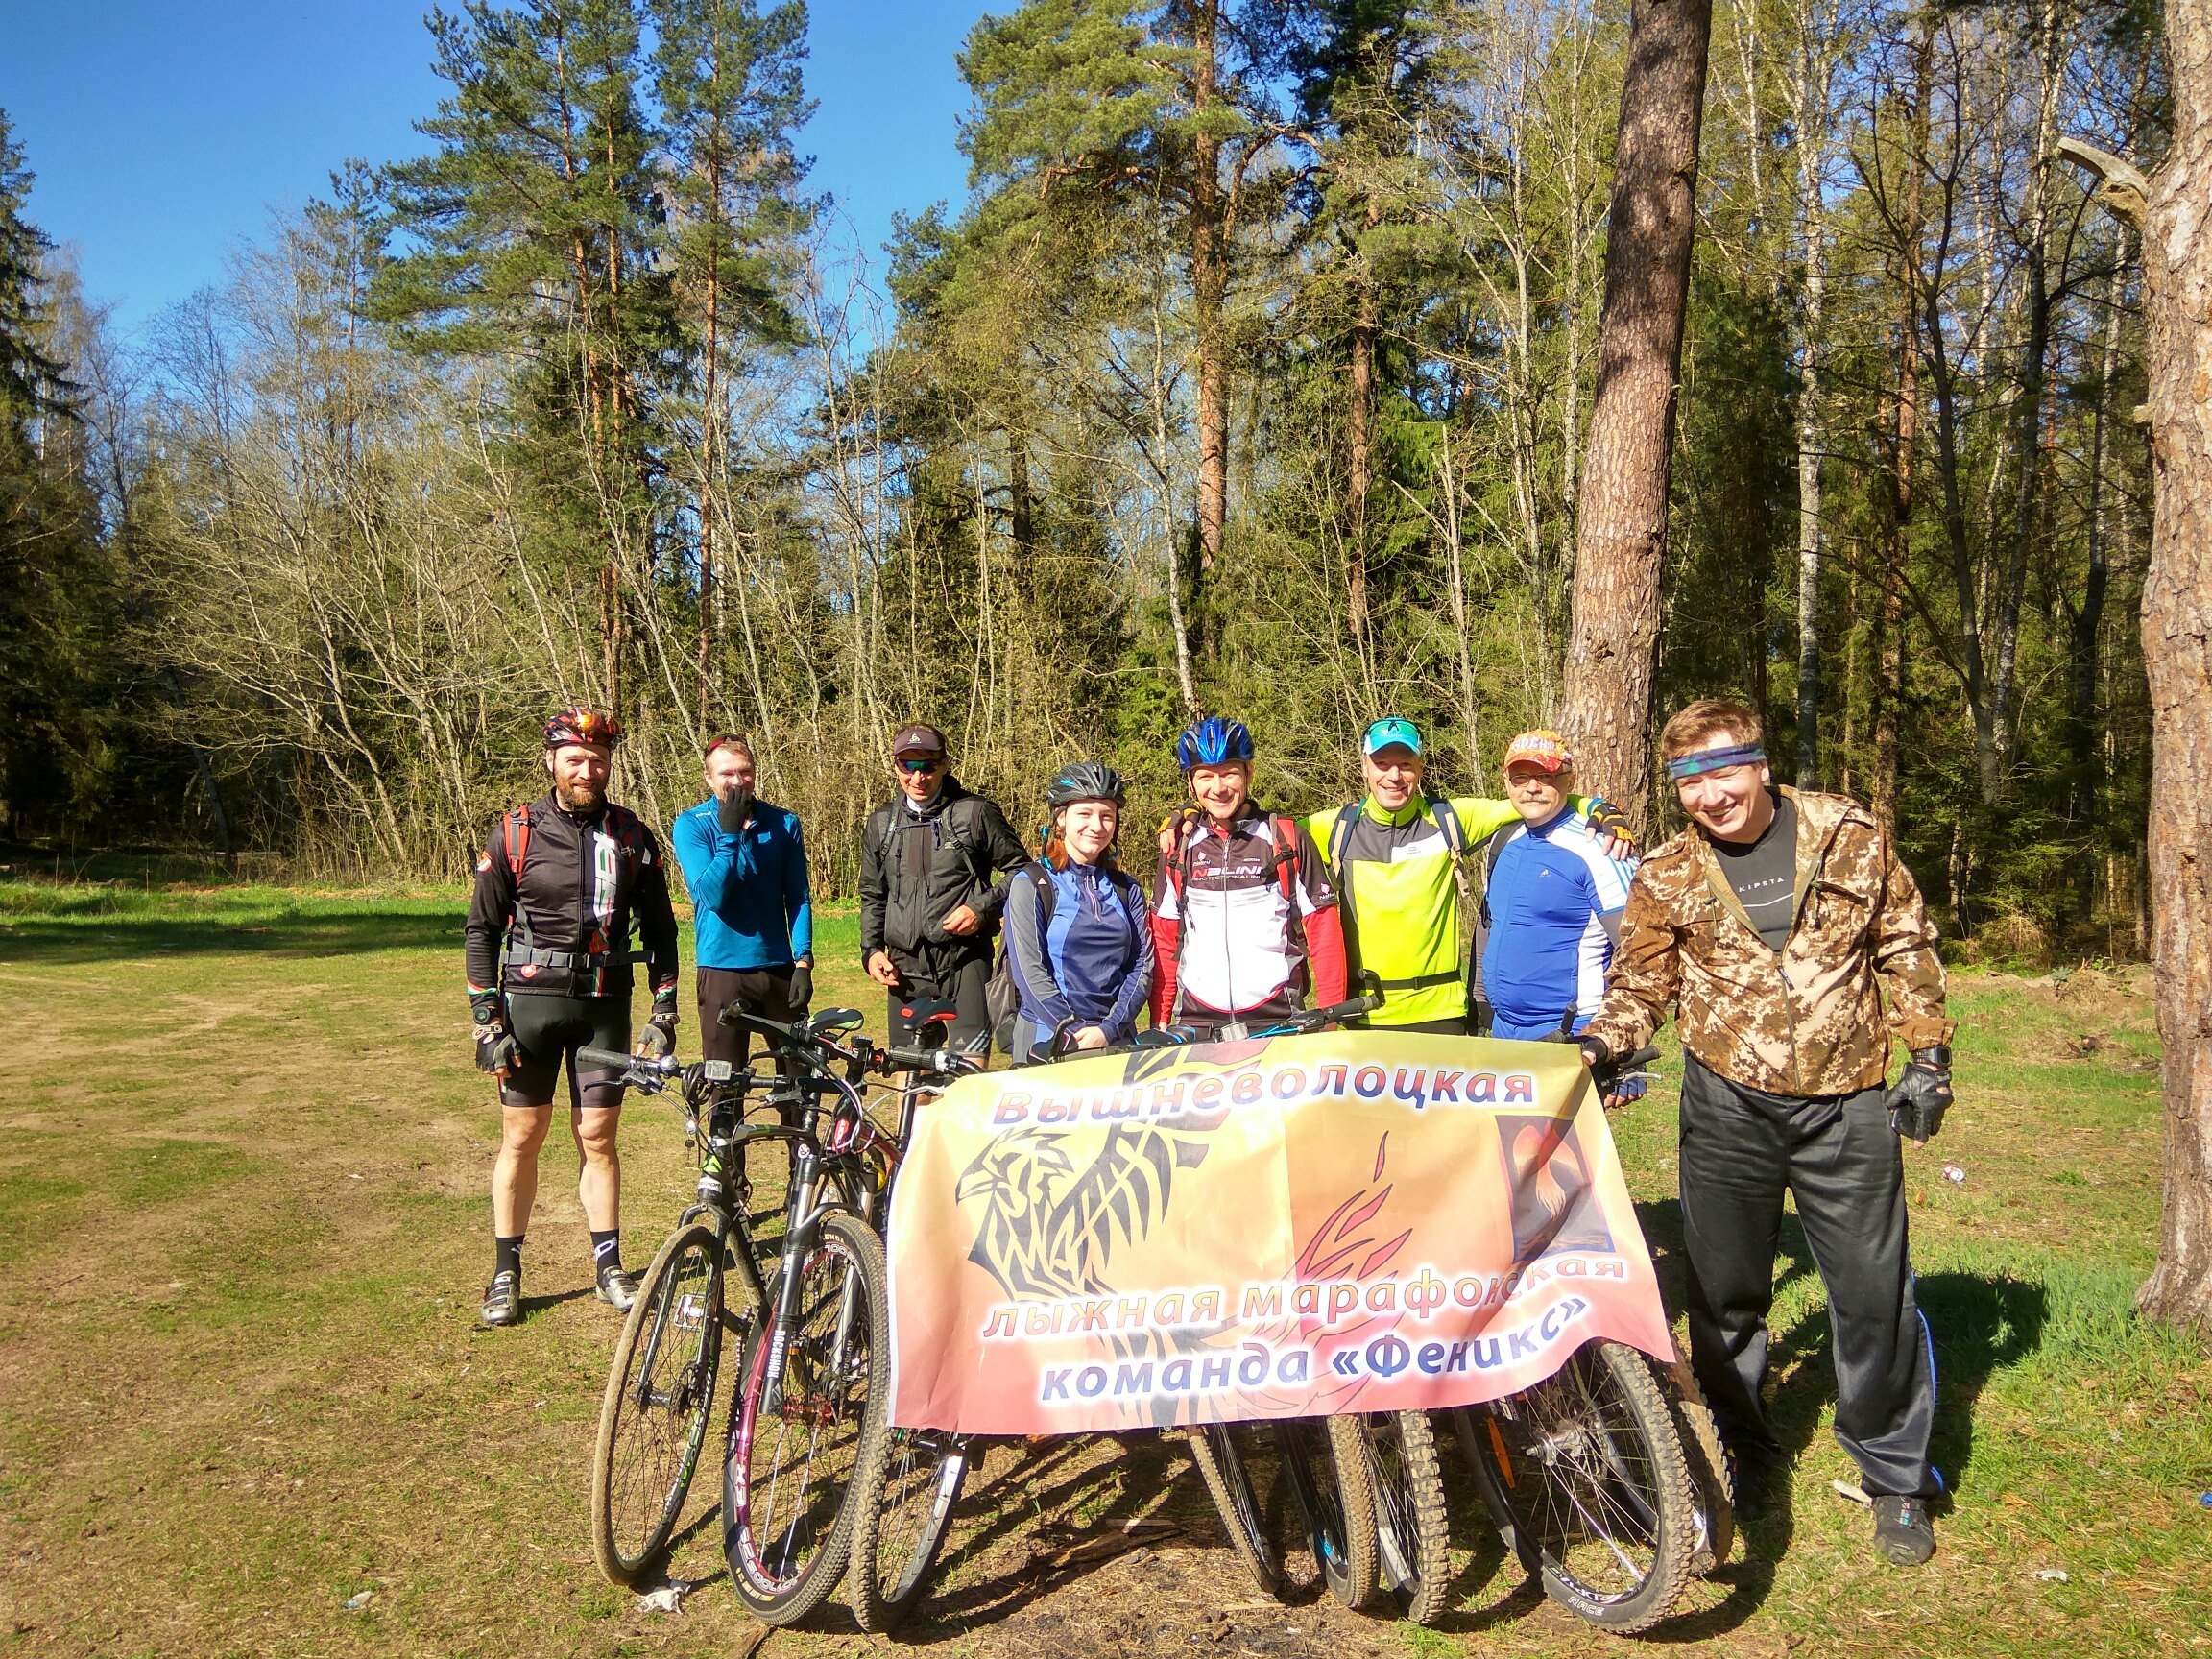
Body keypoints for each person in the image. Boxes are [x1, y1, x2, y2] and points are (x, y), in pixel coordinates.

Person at [1577, 698, 1955, 1567]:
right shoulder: (1669, 871)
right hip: (1727, 1107)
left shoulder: (1846, 832)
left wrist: (1929, 1057)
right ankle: (1744, 1447)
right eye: (1690, 779)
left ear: (1760, 763)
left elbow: (1905, 941)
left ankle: (1895, 1476)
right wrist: (1601, 1041)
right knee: (1725, 1295)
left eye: (1724, 769)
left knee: (1872, 1295)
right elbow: (1642, 987)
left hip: (1849, 1101)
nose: (1712, 794)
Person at [464, 708, 681, 1328]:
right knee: (521, 1138)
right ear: (552, 761)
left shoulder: (632, 835)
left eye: (599, 758)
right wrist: (487, 1022)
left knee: (598, 1140)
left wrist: (662, 1009)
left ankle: (609, 1267)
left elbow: (663, 930)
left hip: (604, 1009)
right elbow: (481, 930)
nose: (588, 768)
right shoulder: (516, 833)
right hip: (528, 1007)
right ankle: (506, 1273)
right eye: (575, 758)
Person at [1305, 717, 1630, 1035]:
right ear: (1364, 766)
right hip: (1364, 1013)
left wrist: (1600, 808)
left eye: (1405, 764)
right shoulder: (1333, 828)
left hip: (1440, 1015)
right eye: (1382, 763)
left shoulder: (1452, 818)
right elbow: (1270, 833)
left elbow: (1535, 800)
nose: (1394, 775)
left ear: (1420, 767)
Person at [1150, 717, 1347, 1038]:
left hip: (1278, 1019)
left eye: (1229, 773)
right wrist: (1159, 1018)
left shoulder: (1286, 839)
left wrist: (1331, 1017)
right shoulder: (1178, 848)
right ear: (1191, 783)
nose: (1218, 788)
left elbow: (1324, 931)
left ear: (1248, 773)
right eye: (1205, 776)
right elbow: (1164, 937)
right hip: (1198, 1023)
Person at [859, 723, 1030, 1053]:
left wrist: (980, 909)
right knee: (910, 1078)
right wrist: (872, 950)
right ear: (896, 766)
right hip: (904, 968)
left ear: (945, 764)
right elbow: (872, 893)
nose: (918, 777)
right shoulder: (881, 823)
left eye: (928, 766)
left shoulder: (975, 812)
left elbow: (1023, 871)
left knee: (967, 1069)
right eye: (908, 766)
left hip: (965, 960)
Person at [1472, 729, 1637, 1041]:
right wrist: (1481, 1005)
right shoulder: (1503, 839)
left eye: (1546, 776)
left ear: (1569, 780)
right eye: (1521, 777)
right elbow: (1491, 926)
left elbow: (1640, 954)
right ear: (1506, 782)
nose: (1532, 788)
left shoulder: (1602, 848)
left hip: (1573, 1031)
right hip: (1504, 1030)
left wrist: (1623, 1053)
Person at [671, 734, 813, 1070]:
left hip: (779, 968)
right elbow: (713, 896)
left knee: (800, 1080)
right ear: (709, 777)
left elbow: (798, 897)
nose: (738, 781)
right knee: (725, 1081)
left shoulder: (784, 823)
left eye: (745, 772)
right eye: (726, 774)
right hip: (722, 969)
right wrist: (729, 834)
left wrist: (803, 960)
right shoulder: (691, 825)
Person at [1004, 762, 1155, 1061]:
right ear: (1061, 818)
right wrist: (1069, 1029)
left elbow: (1142, 966)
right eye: (1084, 814)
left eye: (1107, 816)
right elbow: (1028, 971)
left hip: (1114, 1039)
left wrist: (1109, 1029)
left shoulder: (1127, 888)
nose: (1097, 826)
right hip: (1048, 1037)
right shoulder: (1033, 883)